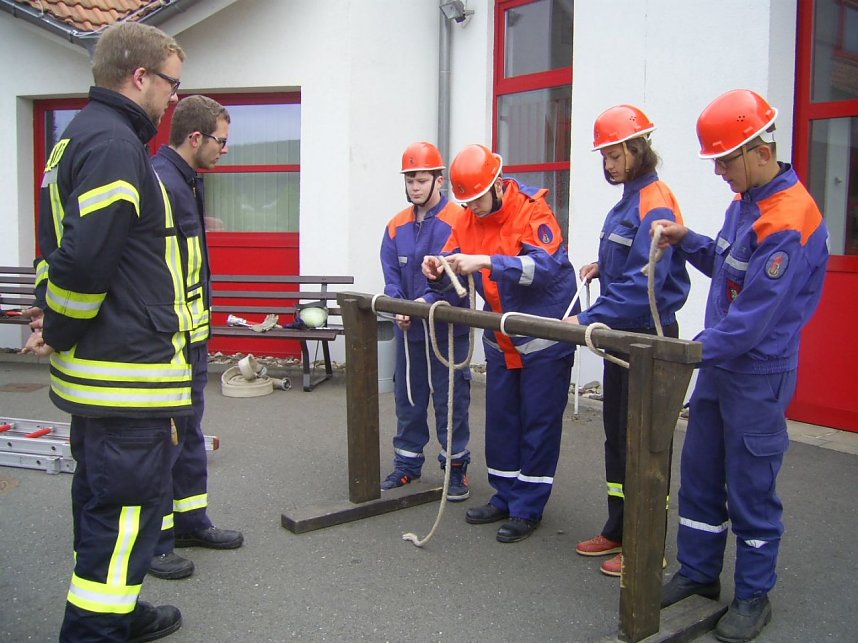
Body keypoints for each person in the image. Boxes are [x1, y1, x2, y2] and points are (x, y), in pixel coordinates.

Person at [25, 21, 191, 642]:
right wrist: (62, 323)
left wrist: (54, 316)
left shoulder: (80, 138)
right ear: (140, 76)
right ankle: (95, 630)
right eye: (171, 83)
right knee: (124, 512)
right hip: (124, 378)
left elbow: (62, 253)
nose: (173, 98)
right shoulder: (117, 146)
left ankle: (118, 609)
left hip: (105, 374)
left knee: (106, 508)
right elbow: (84, 261)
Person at [655, 89, 829, 642]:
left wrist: (690, 352)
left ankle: (754, 595)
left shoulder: (789, 218)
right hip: (721, 368)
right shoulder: (746, 203)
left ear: (758, 149)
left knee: (751, 486)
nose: (720, 173)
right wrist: (690, 242)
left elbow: (753, 316)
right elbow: (731, 269)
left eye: (725, 161)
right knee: (702, 476)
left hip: (756, 373)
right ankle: (700, 573)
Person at [422, 144, 578, 543]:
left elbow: (543, 269)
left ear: (496, 185)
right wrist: (437, 270)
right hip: (501, 336)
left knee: (538, 424)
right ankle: (505, 495)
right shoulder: (469, 216)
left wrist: (488, 262)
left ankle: (529, 507)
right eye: (467, 202)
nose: (472, 209)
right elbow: (454, 262)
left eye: (477, 200)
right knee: (503, 420)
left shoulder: (533, 211)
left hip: (544, 338)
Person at [565, 105, 690, 577]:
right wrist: (604, 268)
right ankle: (618, 527)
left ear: (638, 150)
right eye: (605, 157)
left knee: (645, 445)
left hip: (648, 338)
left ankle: (646, 544)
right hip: (623, 337)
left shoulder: (654, 200)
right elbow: (630, 263)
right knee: (617, 438)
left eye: (615, 155)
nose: (609, 165)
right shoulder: (629, 199)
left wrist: (589, 318)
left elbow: (646, 285)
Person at [148, 95, 244, 581]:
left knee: (187, 436)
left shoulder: (186, 181)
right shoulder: (160, 183)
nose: (225, 150)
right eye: (221, 141)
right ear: (195, 138)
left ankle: (190, 522)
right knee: (162, 441)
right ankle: (156, 541)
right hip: (166, 342)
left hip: (191, 340)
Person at [379, 142, 472, 499]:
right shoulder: (394, 226)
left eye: (421, 180)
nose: (415, 187)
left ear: (439, 179)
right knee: (409, 398)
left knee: (451, 401)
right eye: (410, 181)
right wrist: (399, 306)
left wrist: (424, 302)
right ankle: (407, 465)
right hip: (409, 331)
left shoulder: (459, 221)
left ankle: (456, 469)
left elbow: (458, 278)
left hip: (448, 332)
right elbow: (390, 275)